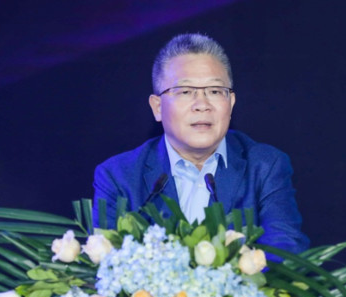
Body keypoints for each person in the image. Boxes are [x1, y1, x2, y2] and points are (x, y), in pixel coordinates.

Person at [93, 33, 309, 254]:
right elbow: (106, 261)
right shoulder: (118, 176)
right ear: (158, 107)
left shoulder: (265, 166)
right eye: (185, 92)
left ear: (231, 103)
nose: (202, 105)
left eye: (215, 91)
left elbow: (286, 251)